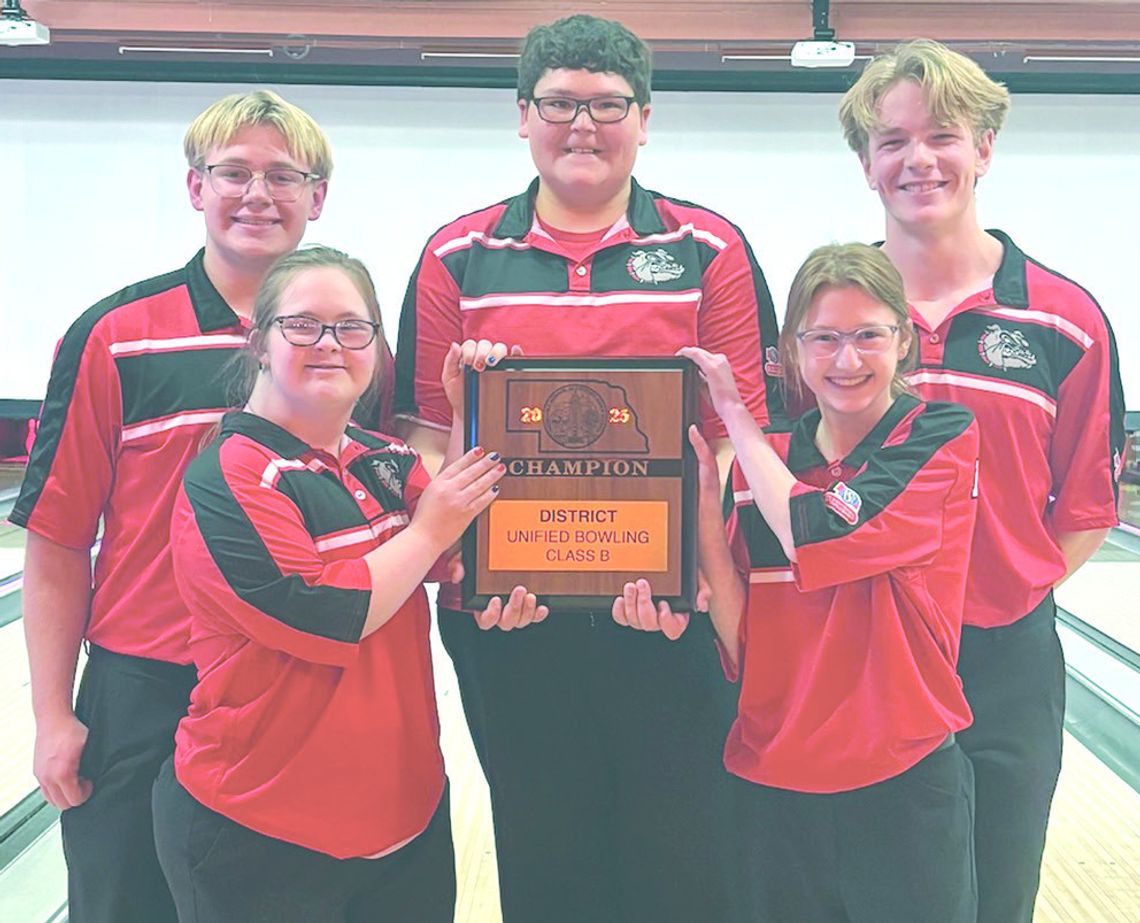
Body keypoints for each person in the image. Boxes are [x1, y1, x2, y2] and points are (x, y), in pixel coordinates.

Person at [393, 14, 782, 922]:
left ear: (644, 120)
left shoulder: (708, 249)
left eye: (607, 106)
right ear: (522, 116)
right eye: (560, 104)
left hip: (669, 612)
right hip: (505, 609)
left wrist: (698, 577)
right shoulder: (458, 254)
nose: (583, 126)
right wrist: (470, 560)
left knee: (689, 856)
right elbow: (422, 436)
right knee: (545, 851)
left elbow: (732, 438)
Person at [10, 90, 333, 922]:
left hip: (290, 686)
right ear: (196, 188)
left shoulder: (345, 344)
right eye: (234, 172)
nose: (257, 193)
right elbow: (55, 541)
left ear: (316, 199)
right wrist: (53, 714)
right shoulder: (115, 336)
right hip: (144, 691)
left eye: (283, 175)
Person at [151, 246, 538, 921]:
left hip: (405, 826)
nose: (330, 344)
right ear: (260, 343)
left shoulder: (384, 461)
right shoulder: (230, 476)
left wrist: (474, 407)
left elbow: (479, 556)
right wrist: (425, 533)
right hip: (260, 834)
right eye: (303, 324)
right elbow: (322, 611)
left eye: (352, 327)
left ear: (378, 348)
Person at [838, 40, 1126, 923]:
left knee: (997, 893)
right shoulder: (833, 315)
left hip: (1004, 658)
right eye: (891, 141)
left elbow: (1084, 507)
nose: (917, 159)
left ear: (985, 149)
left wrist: (999, 595)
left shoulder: (1062, 320)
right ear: (866, 163)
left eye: (943, 135)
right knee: (869, 895)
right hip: (861, 652)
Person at [667, 242, 980, 922]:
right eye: (825, 338)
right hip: (772, 780)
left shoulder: (939, 434)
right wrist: (697, 506)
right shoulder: (769, 461)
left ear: (904, 340)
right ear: (791, 351)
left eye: (868, 335)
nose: (847, 360)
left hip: (902, 782)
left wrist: (737, 419)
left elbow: (817, 529)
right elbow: (739, 620)